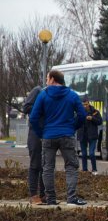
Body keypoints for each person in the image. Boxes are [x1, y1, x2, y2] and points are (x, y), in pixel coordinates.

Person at [29, 69, 87, 206]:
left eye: (48, 79)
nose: (46, 82)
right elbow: (82, 115)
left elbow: (33, 117)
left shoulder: (43, 95)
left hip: (48, 136)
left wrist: (41, 133)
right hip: (67, 135)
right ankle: (71, 198)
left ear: (53, 79)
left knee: (48, 168)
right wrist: (73, 127)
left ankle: (51, 199)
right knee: (71, 166)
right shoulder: (72, 95)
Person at [23, 86, 45, 204]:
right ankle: (34, 195)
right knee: (35, 165)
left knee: (46, 166)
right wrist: (41, 108)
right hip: (35, 134)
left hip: (48, 134)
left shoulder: (54, 95)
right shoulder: (38, 91)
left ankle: (44, 194)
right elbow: (26, 107)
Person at [77, 95, 103, 174]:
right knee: (84, 154)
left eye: (86, 104)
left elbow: (100, 121)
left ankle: (94, 170)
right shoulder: (79, 112)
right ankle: (85, 170)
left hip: (92, 136)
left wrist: (92, 118)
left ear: (89, 103)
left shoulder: (95, 111)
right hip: (82, 135)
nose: (85, 106)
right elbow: (76, 122)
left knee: (91, 153)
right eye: (83, 105)